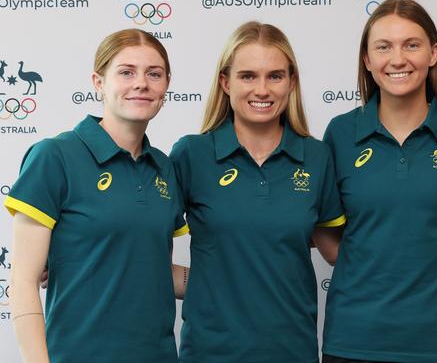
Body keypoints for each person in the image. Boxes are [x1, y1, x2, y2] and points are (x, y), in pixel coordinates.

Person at [4, 29, 187, 363]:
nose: (141, 83)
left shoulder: (164, 167)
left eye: (154, 74)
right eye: (126, 72)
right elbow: (23, 281)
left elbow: (153, 270)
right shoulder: (54, 157)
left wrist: (244, 276)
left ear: (166, 85)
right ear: (99, 81)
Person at [170, 21, 345, 363]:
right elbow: (135, 233)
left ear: (291, 82)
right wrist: (65, 256)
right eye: (248, 76)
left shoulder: (317, 157)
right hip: (209, 352)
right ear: (225, 82)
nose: (262, 90)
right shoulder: (192, 154)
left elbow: (337, 251)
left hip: (293, 352)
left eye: (275, 76)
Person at [321, 0, 437, 362]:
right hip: (355, 340)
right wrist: (367, 264)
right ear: (367, 59)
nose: (398, 59)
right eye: (384, 47)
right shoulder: (341, 133)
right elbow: (324, 229)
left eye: (412, 44)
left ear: (433, 53)